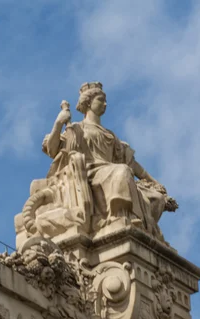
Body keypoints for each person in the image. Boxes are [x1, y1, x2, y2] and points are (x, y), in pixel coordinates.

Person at [43, 82, 177, 236]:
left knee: (155, 198)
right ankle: (119, 216)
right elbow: (53, 150)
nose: (105, 104)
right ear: (88, 102)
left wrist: (155, 183)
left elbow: (132, 164)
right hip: (90, 172)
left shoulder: (110, 135)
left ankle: (141, 225)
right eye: (100, 100)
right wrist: (59, 123)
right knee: (121, 171)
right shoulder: (77, 129)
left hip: (110, 171)